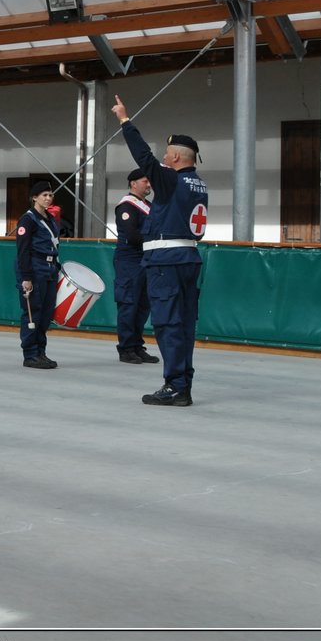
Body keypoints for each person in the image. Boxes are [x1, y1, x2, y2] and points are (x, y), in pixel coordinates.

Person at [111, 95, 209, 407]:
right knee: (184, 324)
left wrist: (125, 121)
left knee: (167, 324)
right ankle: (184, 384)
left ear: (178, 159)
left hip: (165, 262)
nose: (163, 160)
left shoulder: (170, 180)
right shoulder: (198, 184)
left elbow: (144, 158)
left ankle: (174, 385)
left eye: (167, 156)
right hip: (188, 258)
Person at [113, 168, 160, 365]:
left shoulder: (148, 205)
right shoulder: (126, 207)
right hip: (130, 260)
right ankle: (126, 348)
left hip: (146, 259)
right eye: (145, 181)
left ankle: (137, 345)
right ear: (133, 183)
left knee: (143, 305)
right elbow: (132, 235)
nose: (149, 185)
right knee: (129, 304)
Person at [15, 181, 62, 368]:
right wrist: (26, 277)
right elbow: (23, 250)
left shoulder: (50, 219)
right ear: (34, 197)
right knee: (32, 312)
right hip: (34, 268)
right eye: (44, 195)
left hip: (50, 268)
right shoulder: (27, 220)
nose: (48, 198)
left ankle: (41, 351)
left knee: (46, 313)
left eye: (50, 195)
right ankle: (30, 354)